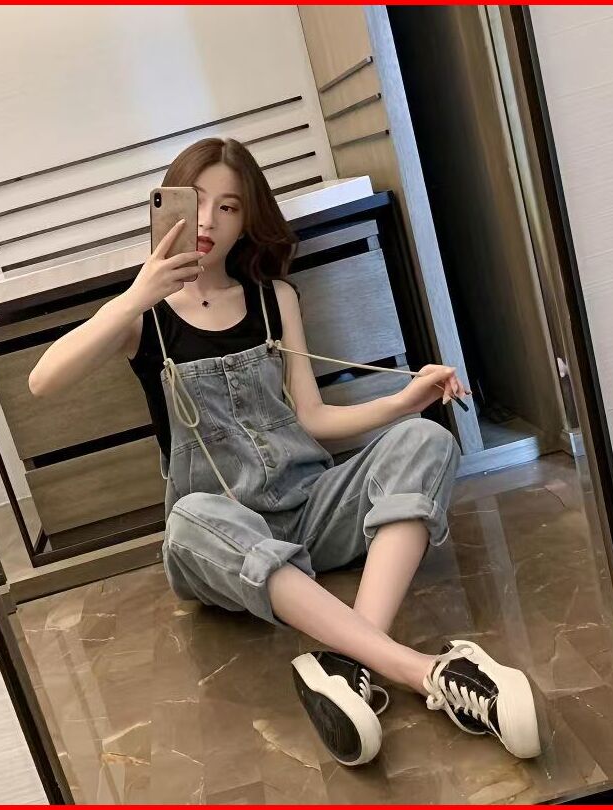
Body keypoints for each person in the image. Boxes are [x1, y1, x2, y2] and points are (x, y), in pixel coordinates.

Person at [28, 137, 541, 766]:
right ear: (169, 205)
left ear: (248, 221)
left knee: (427, 438)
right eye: (197, 201)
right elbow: (43, 380)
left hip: (309, 510)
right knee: (188, 516)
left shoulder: (276, 299)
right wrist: (138, 293)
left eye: (230, 207)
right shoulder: (143, 317)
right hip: (223, 539)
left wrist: (405, 403)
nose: (209, 220)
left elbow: (314, 419)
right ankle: (420, 669)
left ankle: (352, 664)